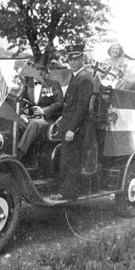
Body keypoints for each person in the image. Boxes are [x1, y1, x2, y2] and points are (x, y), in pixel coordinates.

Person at [52, 44, 94, 200]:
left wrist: (72, 129)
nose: (73, 61)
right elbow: (71, 104)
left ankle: (68, 193)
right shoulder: (76, 76)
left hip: (75, 128)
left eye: (76, 58)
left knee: (70, 160)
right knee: (65, 158)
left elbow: (82, 106)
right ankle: (65, 191)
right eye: (70, 58)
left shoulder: (85, 78)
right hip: (68, 123)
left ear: (82, 58)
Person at [17, 55, 63, 159]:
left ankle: (19, 154)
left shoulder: (54, 84)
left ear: (46, 71)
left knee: (34, 124)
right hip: (30, 119)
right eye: (37, 69)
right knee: (16, 122)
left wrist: (43, 111)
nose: (40, 72)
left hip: (48, 120)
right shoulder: (28, 86)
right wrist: (22, 116)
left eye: (42, 70)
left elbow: (59, 103)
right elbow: (21, 103)